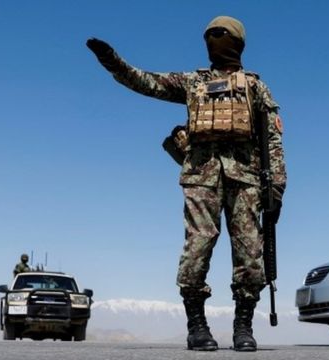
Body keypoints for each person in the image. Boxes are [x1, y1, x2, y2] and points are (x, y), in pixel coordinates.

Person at [86, 15, 286, 352]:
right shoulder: (192, 83)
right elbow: (145, 82)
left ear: (237, 41)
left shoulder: (255, 87)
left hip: (246, 180)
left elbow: (272, 141)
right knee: (198, 247)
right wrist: (113, 63)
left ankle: (243, 326)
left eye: (221, 35)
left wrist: (276, 188)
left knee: (250, 254)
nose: (214, 40)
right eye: (210, 35)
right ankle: (197, 325)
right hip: (201, 177)